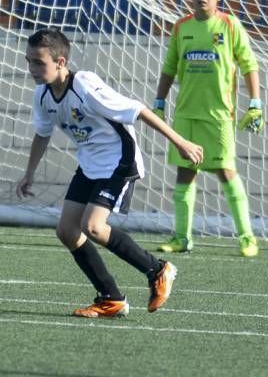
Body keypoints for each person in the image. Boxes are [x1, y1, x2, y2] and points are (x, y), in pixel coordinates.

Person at [16, 27, 204, 318]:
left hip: (119, 161)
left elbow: (139, 110)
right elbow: (42, 134)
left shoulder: (86, 86)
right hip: (90, 164)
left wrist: (180, 142)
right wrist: (29, 173)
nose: (32, 68)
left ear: (61, 62)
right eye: (29, 61)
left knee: (93, 227)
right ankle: (111, 298)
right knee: (67, 231)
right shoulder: (41, 95)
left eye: (39, 62)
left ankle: (158, 270)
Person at [152, 0, 263, 257]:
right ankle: (181, 238)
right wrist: (160, 103)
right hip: (186, 114)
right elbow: (169, 68)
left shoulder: (229, 24)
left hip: (219, 116)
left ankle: (247, 237)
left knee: (226, 172)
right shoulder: (181, 27)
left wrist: (256, 103)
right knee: (185, 173)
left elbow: (249, 65)